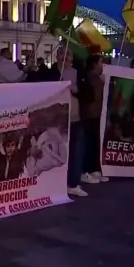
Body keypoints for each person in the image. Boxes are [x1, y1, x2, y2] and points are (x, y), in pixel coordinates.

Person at [56, 47, 88, 197]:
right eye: (62, 53)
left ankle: (73, 183)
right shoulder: (51, 73)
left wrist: (76, 90)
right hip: (57, 120)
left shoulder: (78, 73)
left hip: (75, 118)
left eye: (68, 54)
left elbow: (88, 93)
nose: (65, 57)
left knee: (76, 151)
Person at [79, 54, 108, 184]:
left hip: (96, 114)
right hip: (90, 114)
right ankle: (85, 170)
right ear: (94, 64)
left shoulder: (98, 78)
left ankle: (94, 169)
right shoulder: (91, 77)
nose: (103, 64)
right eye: (101, 62)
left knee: (95, 142)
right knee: (89, 142)